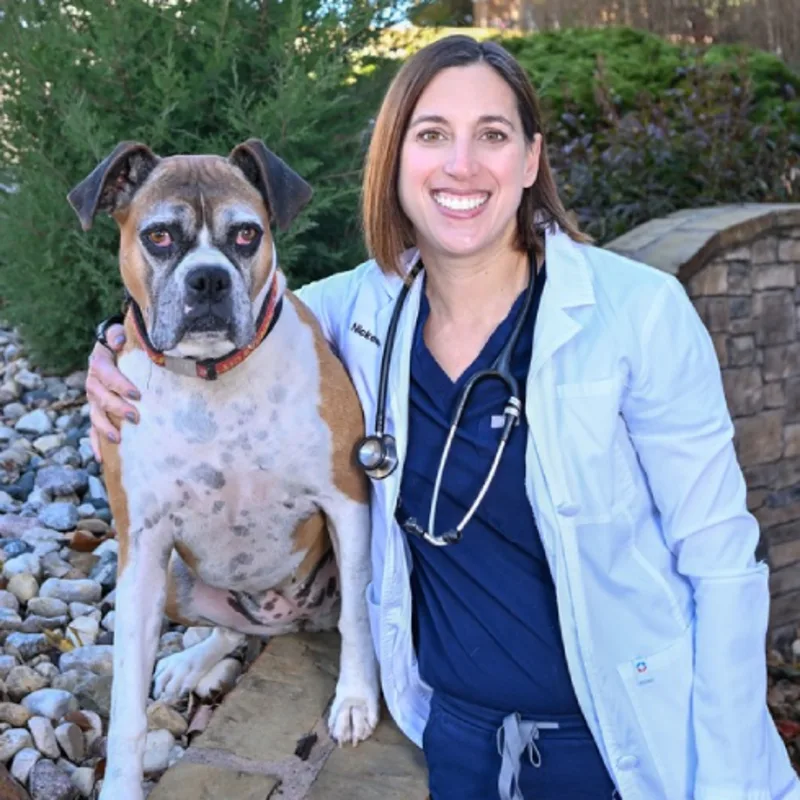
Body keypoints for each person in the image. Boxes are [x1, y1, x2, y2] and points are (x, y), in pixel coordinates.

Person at [84, 34, 799, 800]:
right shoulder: (353, 312)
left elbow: (722, 562)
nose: (461, 165)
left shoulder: (639, 314)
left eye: (492, 135)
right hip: (453, 738)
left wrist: (728, 780)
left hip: (627, 740)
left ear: (530, 161)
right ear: (395, 162)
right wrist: (116, 347)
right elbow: (230, 318)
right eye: (432, 136)